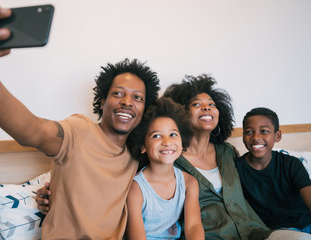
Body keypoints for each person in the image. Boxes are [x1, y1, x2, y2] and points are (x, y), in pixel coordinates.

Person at [0, 2, 160, 239]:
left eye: (137, 98)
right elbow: (32, 131)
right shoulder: (79, 130)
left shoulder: (138, 152)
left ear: (144, 110)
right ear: (102, 101)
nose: (127, 101)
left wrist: (55, 190)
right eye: (118, 93)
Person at [163, 74, 311, 240]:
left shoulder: (227, 152)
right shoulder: (170, 159)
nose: (206, 108)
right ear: (180, 113)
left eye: (211, 104)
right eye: (197, 104)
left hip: (255, 233)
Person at [125, 97, 204, 240]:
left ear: (182, 141)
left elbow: (194, 226)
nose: (167, 142)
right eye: (156, 136)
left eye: (173, 134)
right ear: (143, 146)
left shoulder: (189, 183)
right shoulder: (136, 189)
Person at [234, 107, 311, 233]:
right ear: (242, 136)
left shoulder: (291, 164)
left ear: (277, 135)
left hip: (306, 222)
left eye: (264, 131)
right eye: (248, 132)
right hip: (277, 231)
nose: (256, 137)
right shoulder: (236, 168)